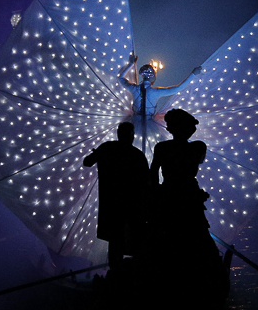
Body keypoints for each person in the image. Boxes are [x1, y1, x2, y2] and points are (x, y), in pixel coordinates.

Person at [149, 109, 221, 274]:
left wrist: (157, 192)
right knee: (195, 235)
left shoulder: (162, 148)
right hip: (189, 194)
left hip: (169, 194)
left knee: (169, 236)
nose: (167, 129)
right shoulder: (197, 147)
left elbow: (153, 173)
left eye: (170, 125)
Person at [83, 122, 150, 269]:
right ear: (132, 135)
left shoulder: (107, 148)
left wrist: (97, 154)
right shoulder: (137, 155)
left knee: (115, 240)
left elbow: (87, 162)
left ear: (118, 134)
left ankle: (115, 274)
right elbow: (146, 181)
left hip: (111, 203)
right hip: (132, 205)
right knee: (132, 238)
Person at [118, 54, 204, 152]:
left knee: (129, 147)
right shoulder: (156, 91)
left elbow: (120, 78)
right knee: (152, 148)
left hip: (133, 122)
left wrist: (130, 64)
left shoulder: (134, 88)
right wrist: (193, 74)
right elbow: (178, 88)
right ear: (153, 77)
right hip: (149, 124)